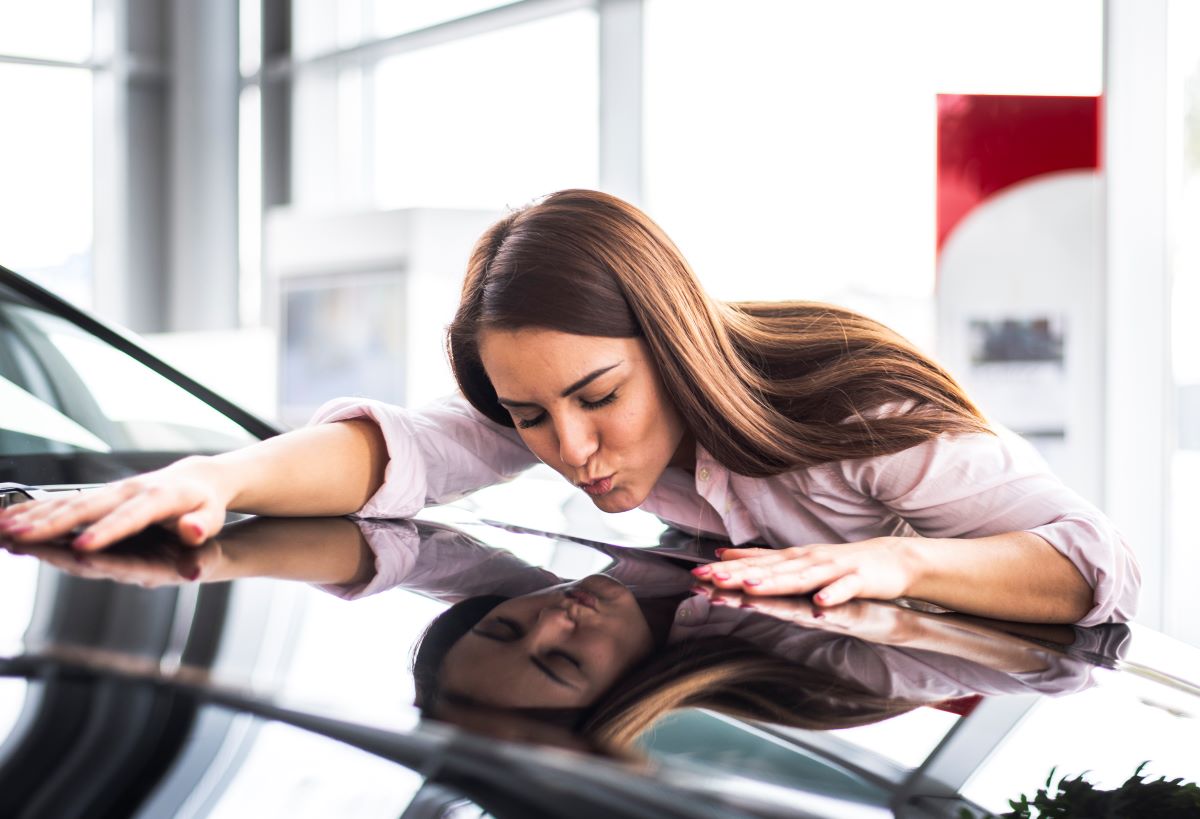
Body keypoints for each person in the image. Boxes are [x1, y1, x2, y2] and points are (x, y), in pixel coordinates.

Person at [0, 189, 1138, 625]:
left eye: (600, 397)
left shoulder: (855, 408)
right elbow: (411, 451)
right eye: (532, 416)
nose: (573, 451)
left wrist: (899, 563)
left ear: (673, 341)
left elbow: (1099, 565)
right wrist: (217, 479)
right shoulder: (553, 418)